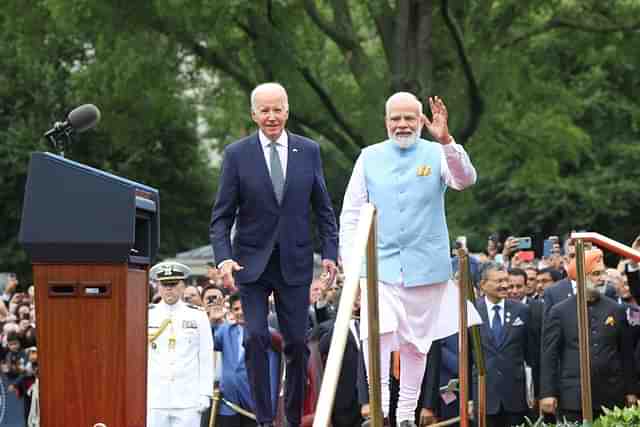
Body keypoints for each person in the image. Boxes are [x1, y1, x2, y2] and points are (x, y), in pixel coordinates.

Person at [340, 92, 477, 427]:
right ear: (386, 122)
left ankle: (404, 415)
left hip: (425, 266)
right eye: (395, 119)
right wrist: (353, 269)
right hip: (379, 266)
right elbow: (352, 215)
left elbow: (464, 180)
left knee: (417, 344)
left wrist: (446, 141)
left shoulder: (436, 151)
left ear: (421, 120)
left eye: (409, 118)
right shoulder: (368, 157)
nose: (402, 125)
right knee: (379, 333)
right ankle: (380, 409)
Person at [209, 82, 339, 427]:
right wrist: (223, 257)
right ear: (253, 114)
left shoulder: (308, 151)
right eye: (264, 110)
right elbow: (221, 216)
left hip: (294, 263)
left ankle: (293, 419)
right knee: (255, 336)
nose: (271, 116)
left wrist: (330, 253)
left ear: (287, 110)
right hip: (250, 263)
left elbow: (324, 209)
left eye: (277, 109)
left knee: (297, 343)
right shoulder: (237, 154)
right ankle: (265, 420)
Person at [540, 251, 638, 422]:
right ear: (579, 277)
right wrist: (548, 393)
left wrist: (631, 391)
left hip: (611, 395)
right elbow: (549, 356)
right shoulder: (559, 311)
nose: (602, 279)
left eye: (603, 273)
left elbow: (626, 354)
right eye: (595, 274)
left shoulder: (616, 310)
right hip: (573, 396)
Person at [147, 261, 214, 427]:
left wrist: (205, 393)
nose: (169, 289)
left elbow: (205, 356)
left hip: (188, 397)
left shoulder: (197, 316)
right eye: (164, 284)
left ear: (183, 286)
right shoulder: (148, 314)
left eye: (173, 284)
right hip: (155, 397)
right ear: (158, 286)